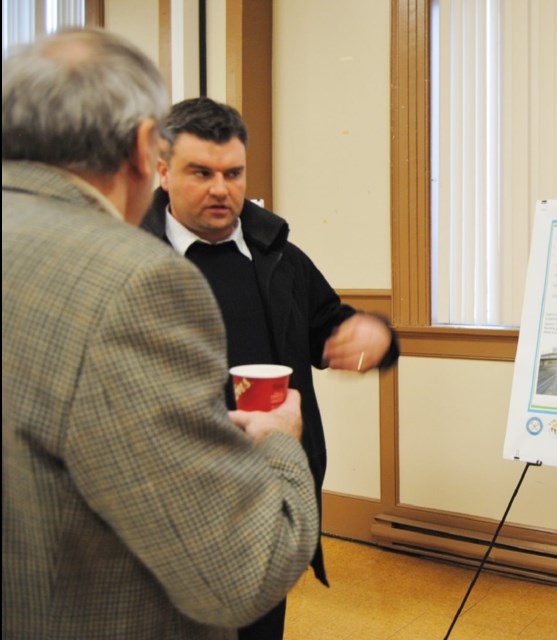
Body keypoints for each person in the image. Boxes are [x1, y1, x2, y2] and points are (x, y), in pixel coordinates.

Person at [2, 29, 321, 639]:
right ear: (148, 150)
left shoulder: (279, 255)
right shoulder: (137, 280)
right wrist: (282, 443)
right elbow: (238, 574)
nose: (221, 189)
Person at [140, 97, 400, 640]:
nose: (221, 189)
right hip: (168, 495)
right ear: (162, 172)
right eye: (201, 173)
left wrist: (374, 334)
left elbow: (332, 324)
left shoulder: (278, 257)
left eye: (233, 173)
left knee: (261, 627)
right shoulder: (132, 261)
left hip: (266, 488)